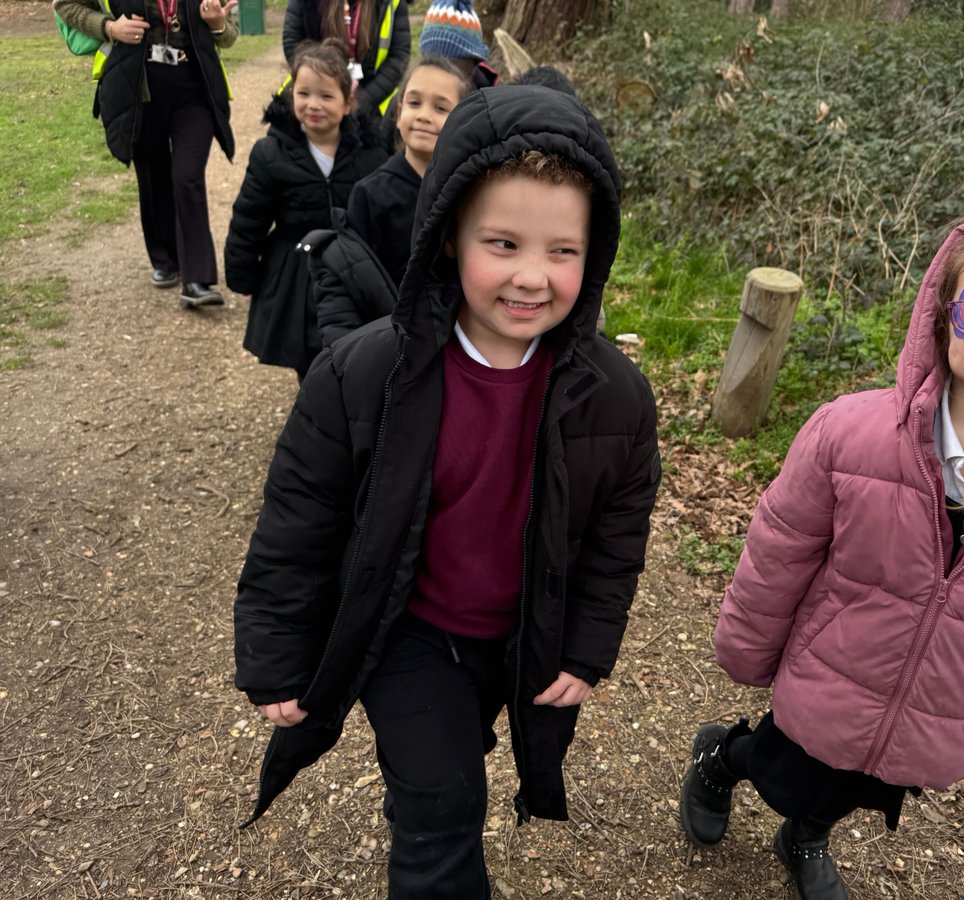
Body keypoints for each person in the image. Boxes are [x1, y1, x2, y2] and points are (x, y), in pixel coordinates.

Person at [233, 85, 661, 898]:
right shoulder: (360, 375)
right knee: (445, 805)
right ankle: (429, 809)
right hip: (410, 629)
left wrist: (587, 646)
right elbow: (298, 523)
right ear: (447, 236)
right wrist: (276, 653)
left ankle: (426, 778)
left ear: (593, 253)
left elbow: (616, 536)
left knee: (456, 759)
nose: (532, 277)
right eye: (502, 242)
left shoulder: (615, 396)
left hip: (524, 637)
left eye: (562, 251)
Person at [678, 209, 964, 899]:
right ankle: (724, 758)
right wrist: (748, 649)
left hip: (942, 709)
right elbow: (781, 550)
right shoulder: (849, 432)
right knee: (784, 763)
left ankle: (807, 832)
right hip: (827, 679)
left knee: (861, 788)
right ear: (945, 319)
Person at [53, 0, 238, 308]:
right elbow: (66, 5)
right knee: (153, 175)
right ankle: (165, 259)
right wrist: (109, 27)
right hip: (139, 88)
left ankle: (197, 278)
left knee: (187, 176)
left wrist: (217, 23)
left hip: (195, 90)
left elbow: (229, 35)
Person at [224, 39, 389, 379]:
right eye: (304, 94)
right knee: (311, 361)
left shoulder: (371, 155)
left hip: (351, 270)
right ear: (292, 94)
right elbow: (249, 218)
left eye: (326, 96)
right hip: (297, 271)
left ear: (348, 103)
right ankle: (316, 414)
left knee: (355, 354)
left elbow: (384, 216)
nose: (314, 104)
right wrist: (242, 273)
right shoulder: (271, 154)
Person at [309, 56, 471, 347]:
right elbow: (357, 280)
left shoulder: (468, 194)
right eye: (414, 103)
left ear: (461, 122)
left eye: (440, 107)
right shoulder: (370, 193)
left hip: (455, 334)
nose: (423, 115)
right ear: (398, 114)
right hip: (389, 336)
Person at [282, 0, 409, 117]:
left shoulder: (394, 2)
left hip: (373, 107)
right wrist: (323, 93)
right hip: (314, 100)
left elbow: (398, 58)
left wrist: (361, 102)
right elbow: (293, 43)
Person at [419, 0, 499, 89]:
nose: (439, 73)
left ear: (472, 66)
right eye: (431, 62)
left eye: (452, 64)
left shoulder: (486, 98)